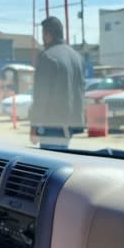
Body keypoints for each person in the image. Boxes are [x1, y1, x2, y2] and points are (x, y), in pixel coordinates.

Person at [29, 16, 85, 150]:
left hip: (52, 124)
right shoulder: (76, 57)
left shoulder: (47, 56)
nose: (42, 39)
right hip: (70, 125)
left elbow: (41, 95)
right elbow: (81, 90)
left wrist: (34, 125)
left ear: (48, 35)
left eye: (43, 34)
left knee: (50, 166)